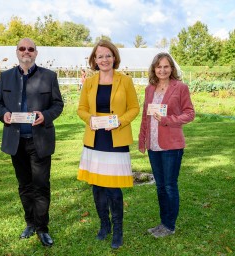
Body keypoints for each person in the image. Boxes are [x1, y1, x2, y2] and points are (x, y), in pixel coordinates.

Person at [0, 38, 64, 247]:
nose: (26, 52)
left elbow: (58, 104)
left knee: (41, 185)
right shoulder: (6, 77)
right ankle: (30, 223)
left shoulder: (49, 76)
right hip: (16, 141)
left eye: (30, 49)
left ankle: (42, 228)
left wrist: (45, 115)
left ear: (36, 53)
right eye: (22, 49)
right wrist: (4, 114)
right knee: (24, 185)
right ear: (17, 52)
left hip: (39, 140)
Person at [77, 40, 140, 249]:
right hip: (95, 139)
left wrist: (119, 122)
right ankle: (104, 226)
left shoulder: (126, 81)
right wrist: (90, 120)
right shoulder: (89, 82)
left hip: (116, 137)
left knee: (113, 189)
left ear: (114, 57)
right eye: (100, 56)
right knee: (97, 187)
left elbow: (134, 108)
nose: (104, 59)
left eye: (108, 55)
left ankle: (118, 230)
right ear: (94, 60)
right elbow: (82, 109)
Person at [138, 52, 195, 238]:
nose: (162, 70)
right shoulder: (149, 89)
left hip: (172, 145)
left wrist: (167, 119)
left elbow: (189, 113)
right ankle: (163, 223)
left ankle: (169, 226)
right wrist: (142, 139)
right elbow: (145, 117)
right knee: (160, 186)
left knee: (170, 185)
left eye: (166, 66)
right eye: (159, 66)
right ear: (154, 69)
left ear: (171, 68)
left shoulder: (180, 88)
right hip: (153, 145)